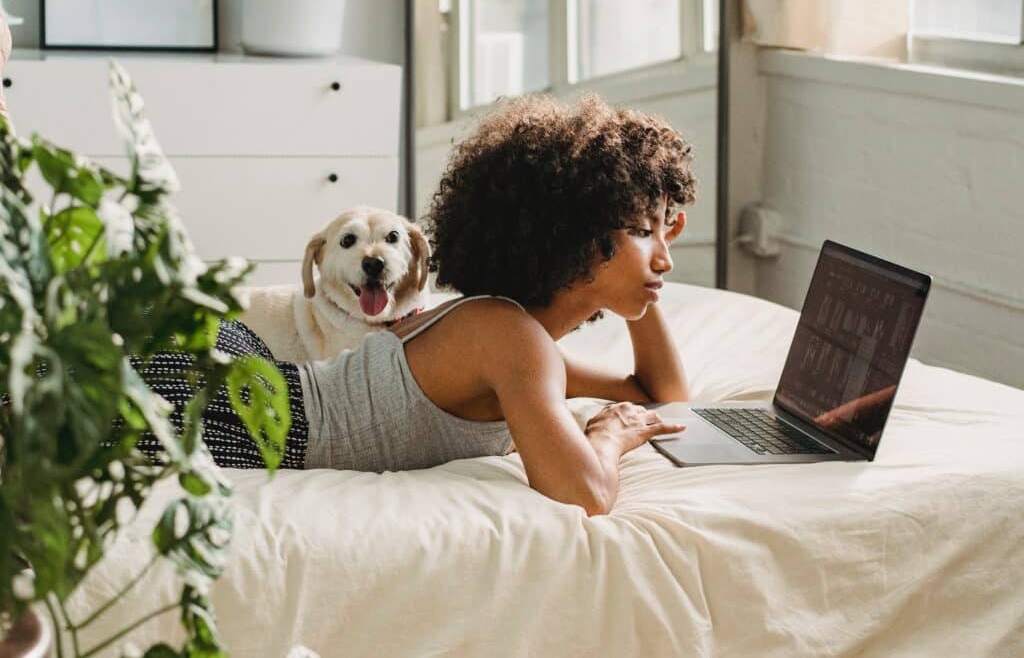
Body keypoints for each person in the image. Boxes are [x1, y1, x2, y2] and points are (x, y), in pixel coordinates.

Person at [139, 93, 698, 516]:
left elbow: (663, 397)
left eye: (662, 234)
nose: (664, 257)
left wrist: (647, 272)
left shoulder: (512, 337)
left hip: (247, 382)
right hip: (237, 407)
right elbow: (588, 494)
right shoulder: (510, 340)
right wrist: (609, 433)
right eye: (642, 231)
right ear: (573, 236)